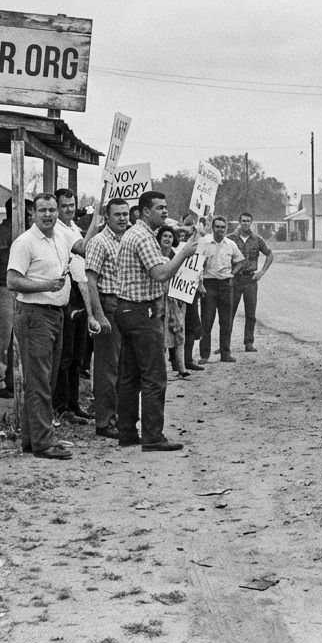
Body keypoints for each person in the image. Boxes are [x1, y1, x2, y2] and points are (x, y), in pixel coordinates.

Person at [114, 191, 199, 452]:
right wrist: (184, 253)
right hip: (143, 314)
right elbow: (161, 273)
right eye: (160, 208)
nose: (165, 212)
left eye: (166, 207)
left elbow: (158, 262)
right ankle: (152, 436)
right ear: (144, 212)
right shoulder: (143, 237)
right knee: (154, 376)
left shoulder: (137, 234)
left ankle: (127, 431)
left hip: (127, 311)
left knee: (129, 376)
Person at [6, 193, 75, 460]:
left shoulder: (59, 237)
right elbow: (12, 281)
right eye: (43, 210)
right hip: (35, 315)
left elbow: (84, 246)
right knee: (39, 381)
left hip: (55, 313)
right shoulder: (25, 242)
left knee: (45, 379)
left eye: (53, 210)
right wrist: (46, 285)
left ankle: (31, 439)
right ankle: (44, 443)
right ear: (33, 213)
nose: (49, 215)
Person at [84, 197, 130, 440]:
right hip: (108, 305)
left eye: (125, 214)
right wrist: (99, 314)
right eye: (117, 215)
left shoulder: (128, 240)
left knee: (124, 367)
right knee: (107, 368)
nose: (122, 218)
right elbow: (90, 280)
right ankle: (104, 421)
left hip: (126, 306)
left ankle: (120, 417)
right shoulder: (99, 242)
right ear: (107, 217)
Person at [0, 198, 32, 399]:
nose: (31, 216)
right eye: (29, 212)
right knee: (1, 339)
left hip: (18, 290)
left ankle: (10, 380)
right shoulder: (0, 232)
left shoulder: (24, 233)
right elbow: (2, 261)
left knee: (16, 341)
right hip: (2, 289)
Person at [53, 188, 92, 421]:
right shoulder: (58, 230)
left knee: (78, 354)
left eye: (71, 205)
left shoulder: (73, 228)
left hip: (80, 293)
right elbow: (83, 249)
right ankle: (61, 406)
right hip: (67, 292)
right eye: (64, 205)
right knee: (65, 355)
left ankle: (73, 403)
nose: (68, 209)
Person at [198, 216, 245, 364]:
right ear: (212, 228)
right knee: (207, 320)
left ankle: (225, 353)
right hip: (209, 284)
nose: (220, 230)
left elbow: (241, 261)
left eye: (222, 227)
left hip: (226, 285)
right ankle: (204, 355)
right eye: (217, 227)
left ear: (226, 229)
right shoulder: (204, 243)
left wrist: (233, 273)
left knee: (226, 321)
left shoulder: (230, 244)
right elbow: (197, 263)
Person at [230, 212, 274, 353]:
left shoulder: (257, 239)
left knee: (251, 313)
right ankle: (225, 345)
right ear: (239, 222)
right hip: (235, 279)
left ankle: (249, 343)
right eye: (243, 221)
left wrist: (262, 272)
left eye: (248, 221)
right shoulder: (230, 239)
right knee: (229, 313)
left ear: (252, 223)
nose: (246, 223)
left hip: (250, 279)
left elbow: (269, 254)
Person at [157, 226, 190, 378]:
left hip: (176, 300)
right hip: (160, 300)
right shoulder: (155, 256)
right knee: (162, 334)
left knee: (179, 333)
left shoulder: (177, 256)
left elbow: (188, 276)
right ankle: (162, 368)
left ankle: (181, 368)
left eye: (170, 236)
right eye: (164, 236)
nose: (167, 239)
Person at [182, 216, 213, 370]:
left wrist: (200, 283)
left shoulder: (200, 244)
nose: (190, 230)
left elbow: (200, 266)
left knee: (192, 325)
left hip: (190, 289)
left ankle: (187, 360)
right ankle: (177, 362)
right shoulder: (176, 242)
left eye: (192, 227)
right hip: (175, 291)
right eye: (188, 227)